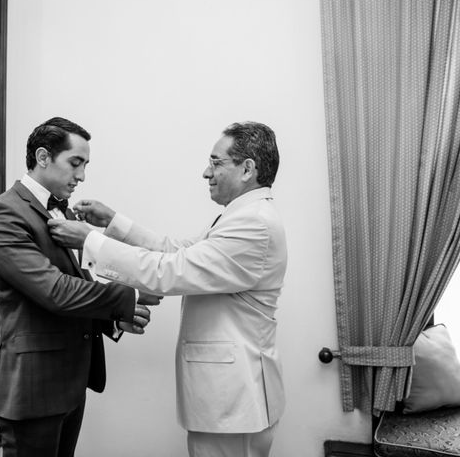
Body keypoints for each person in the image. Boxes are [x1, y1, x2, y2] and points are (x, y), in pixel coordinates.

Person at [48, 121, 287, 457]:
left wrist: (90, 241)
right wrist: (114, 221)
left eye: (216, 162)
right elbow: (175, 249)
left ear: (248, 169)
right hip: (232, 398)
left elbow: (170, 271)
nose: (207, 172)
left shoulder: (253, 223)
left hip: (235, 400)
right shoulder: (240, 216)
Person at [0, 117, 151, 457]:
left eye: (85, 165)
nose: (82, 176)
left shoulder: (65, 214)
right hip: (33, 389)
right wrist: (125, 297)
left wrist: (112, 321)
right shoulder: (1, 215)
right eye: (76, 163)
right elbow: (54, 290)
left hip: (71, 385)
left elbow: (79, 285)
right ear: (43, 157)